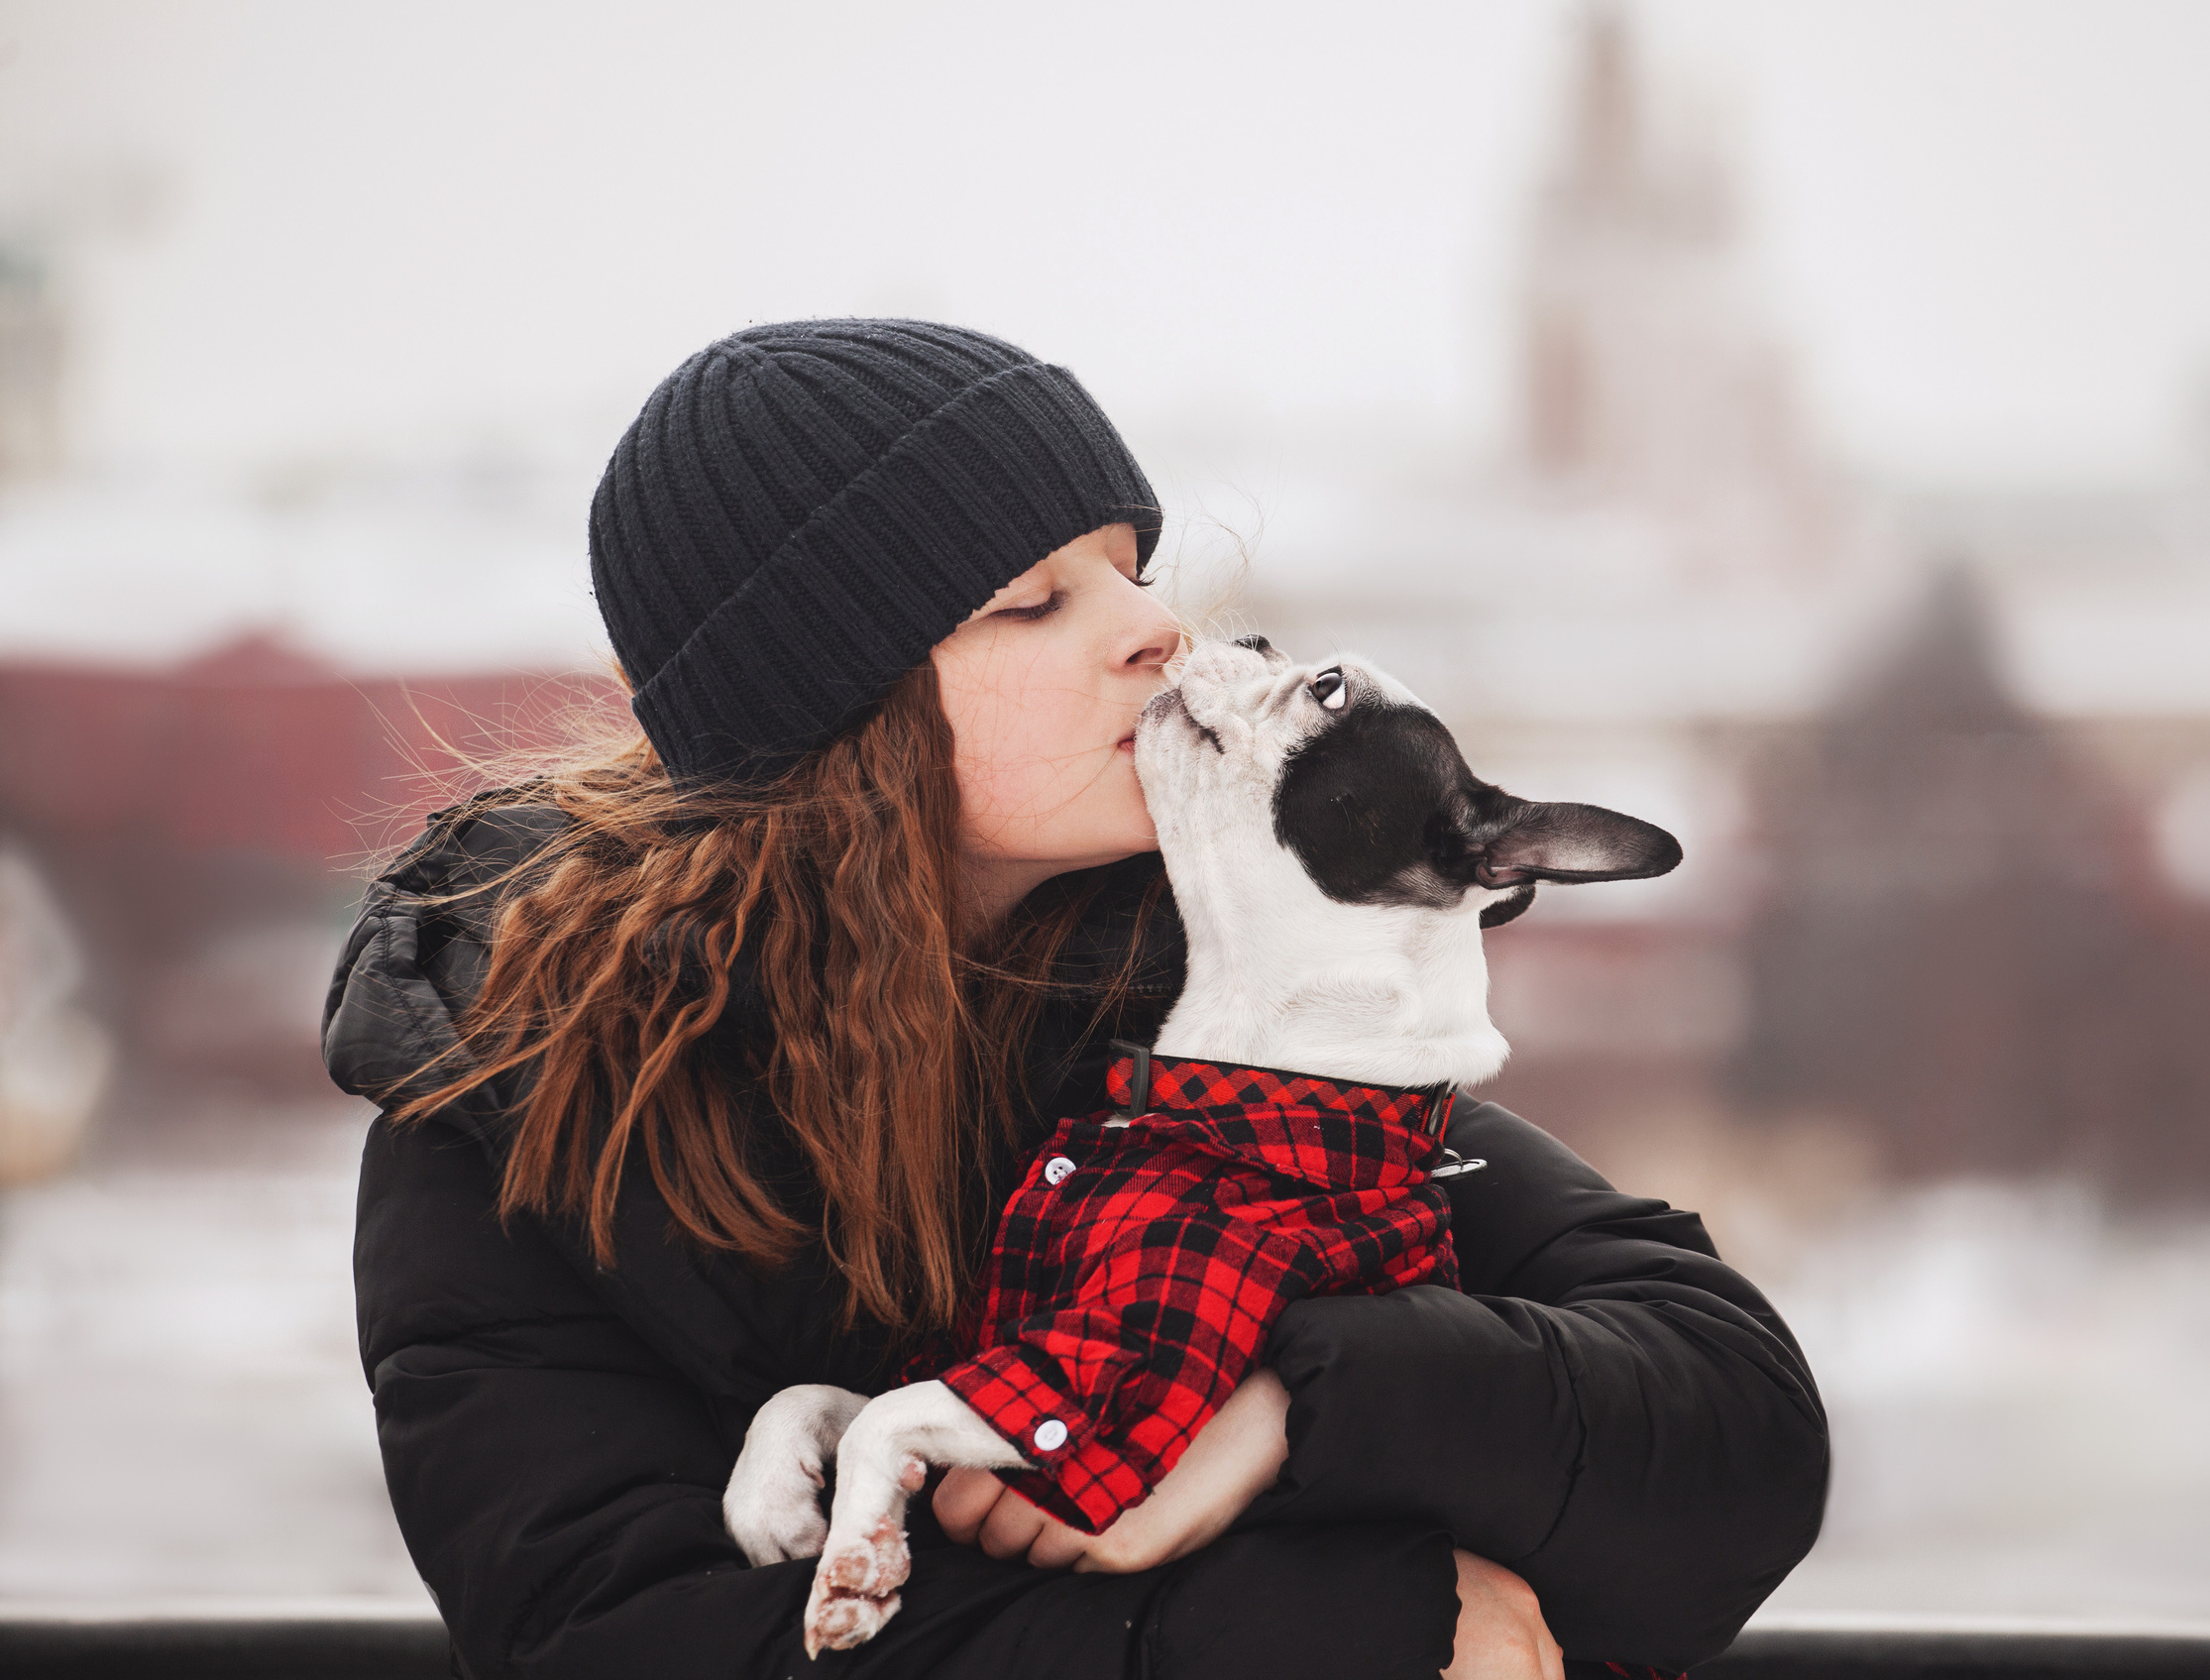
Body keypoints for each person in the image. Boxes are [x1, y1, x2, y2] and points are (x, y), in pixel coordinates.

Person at [327, 319, 1827, 1680]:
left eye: (1132, 568)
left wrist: (1299, 1409)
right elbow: (617, 1632)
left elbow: (1733, 1428)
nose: (1156, 631)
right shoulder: (522, 1087)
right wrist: (1371, 1631)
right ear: (821, 715)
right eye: (1035, 602)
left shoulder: (1224, 1010)